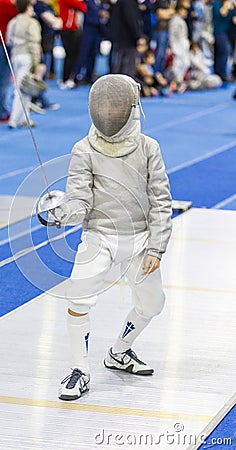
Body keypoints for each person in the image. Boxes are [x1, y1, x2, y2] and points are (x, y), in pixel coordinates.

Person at [47, 74, 172, 401]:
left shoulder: (148, 148)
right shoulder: (84, 149)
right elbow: (79, 199)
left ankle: (120, 351)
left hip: (140, 240)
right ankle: (80, 369)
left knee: (153, 304)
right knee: (79, 298)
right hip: (99, 238)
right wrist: (62, 212)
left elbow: (160, 200)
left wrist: (157, 247)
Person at [6, 0, 43, 128]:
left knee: (26, 88)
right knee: (20, 90)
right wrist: (36, 62)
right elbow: (34, 44)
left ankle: (25, 118)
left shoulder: (13, 21)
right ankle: (13, 120)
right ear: (28, 7)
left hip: (15, 56)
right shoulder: (32, 23)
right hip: (27, 56)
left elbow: (8, 40)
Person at [0, 0, 18, 122]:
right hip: (2, 43)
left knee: (3, 80)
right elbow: (20, 12)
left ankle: (1, 109)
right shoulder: (4, 3)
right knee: (2, 80)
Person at [109, 0, 144, 78]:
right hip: (127, 39)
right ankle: (122, 86)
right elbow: (131, 19)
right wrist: (138, 35)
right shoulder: (129, 2)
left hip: (121, 38)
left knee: (119, 64)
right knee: (127, 66)